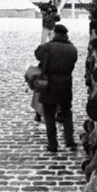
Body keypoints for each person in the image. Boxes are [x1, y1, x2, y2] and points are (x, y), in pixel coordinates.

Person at [35, 24, 78, 152]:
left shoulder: (48, 47)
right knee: (66, 113)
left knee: (49, 115)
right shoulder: (72, 49)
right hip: (65, 84)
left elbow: (37, 54)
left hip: (49, 84)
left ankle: (53, 144)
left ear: (55, 33)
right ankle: (69, 140)